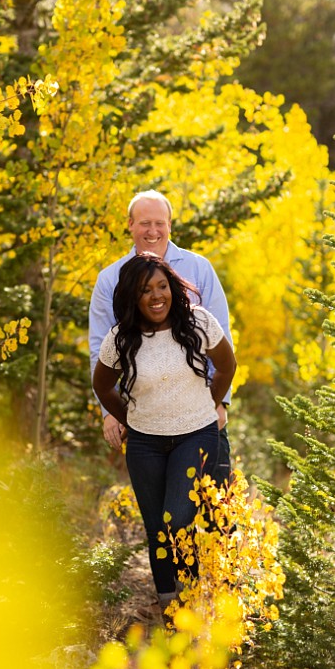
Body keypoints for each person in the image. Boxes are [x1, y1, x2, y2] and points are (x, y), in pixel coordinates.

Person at [93, 253, 237, 617]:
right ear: (132, 297)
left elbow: (227, 364)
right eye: (146, 290)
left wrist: (209, 403)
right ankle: (172, 611)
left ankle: (189, 600)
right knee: (157, 527)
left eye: (162, 286)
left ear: (172, 287)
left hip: (196, 435)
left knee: (177, 518)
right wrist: (134, 418)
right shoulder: (121, 339)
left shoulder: (197, 322)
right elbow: (103, 385)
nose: (157, 296)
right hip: (145, 445)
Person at [89, 190, 235, 485]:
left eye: (160, 223)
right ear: (130, 224)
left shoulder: (199, 268)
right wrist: (110, 412)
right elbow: (100, 349)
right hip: (147, 420)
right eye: (144, 223)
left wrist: (218, 403)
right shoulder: (110, 278)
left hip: (202, 414)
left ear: (170, 225)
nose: (152, 231)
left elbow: (221, 338)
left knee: (214, 510)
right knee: (164, 516)